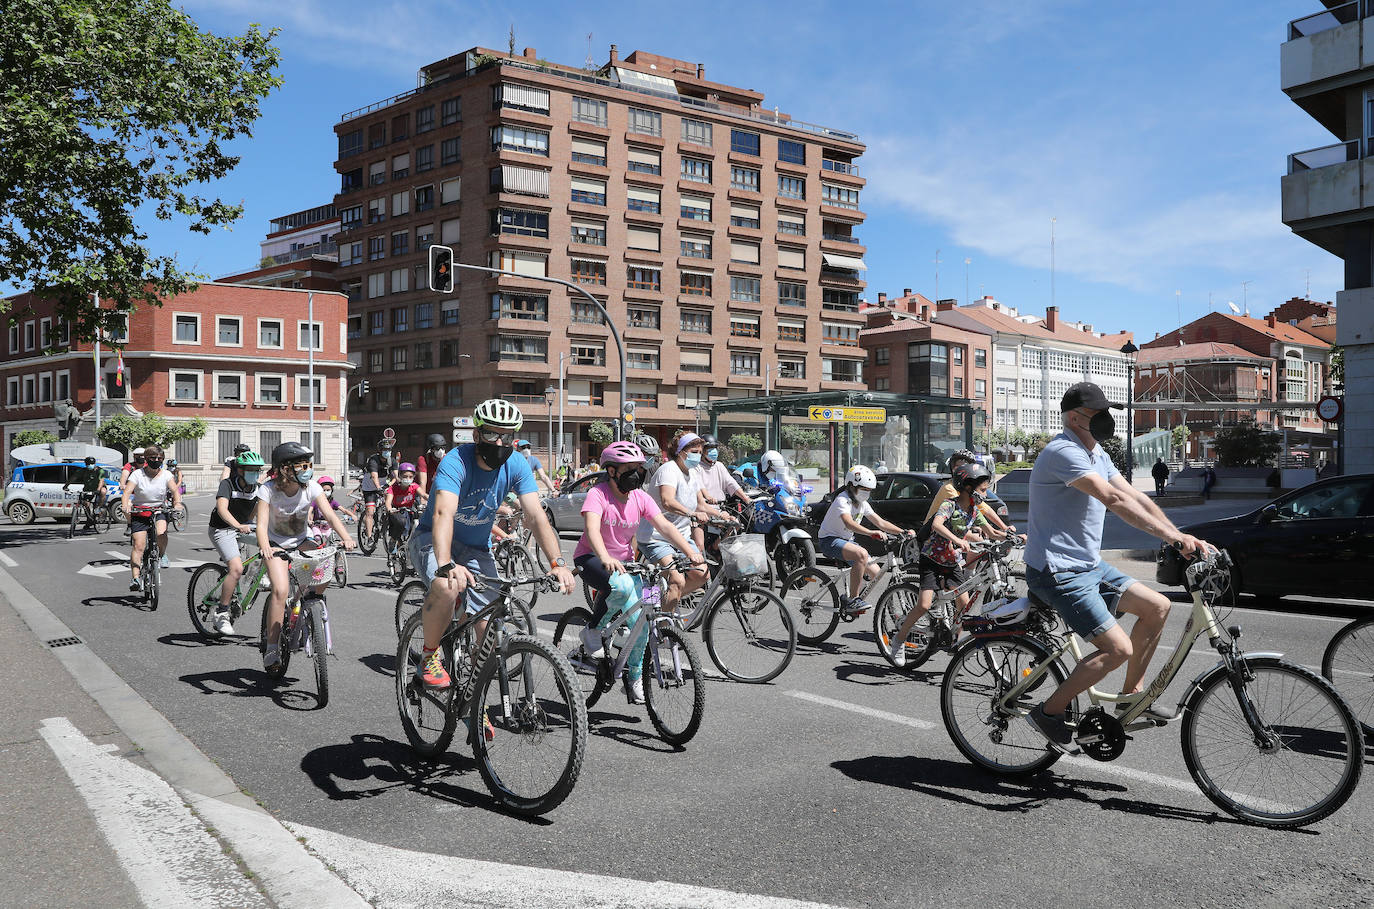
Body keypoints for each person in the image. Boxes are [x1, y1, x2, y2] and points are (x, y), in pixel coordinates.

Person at [1023, 382, 1212, 753]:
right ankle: (1049, 711)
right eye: (1099, 414)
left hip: (1088, 566)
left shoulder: (1097, 454)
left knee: (1158, 606)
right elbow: (1111, 499)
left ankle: (1131, 695)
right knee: (1118, 648)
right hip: (1056, 570)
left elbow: (1134, 495)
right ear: (1074, 417)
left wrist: (1180, 535)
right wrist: (1174, 542)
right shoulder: (1063, 451)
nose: (1107, 420)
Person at [410, 399, 574, 694]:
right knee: (447, 586)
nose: (499, 442)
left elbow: (536, 515)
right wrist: (446, 563)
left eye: (507, 436)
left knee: (489, 627)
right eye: (491, 434)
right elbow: (443, 513)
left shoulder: (516, 464)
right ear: (476, 435)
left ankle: (472, 697)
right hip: (432, 541)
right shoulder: (455, 461)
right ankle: (429, 656)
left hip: (476, 548)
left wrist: (557, 562)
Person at [573, 441, 705, 703]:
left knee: (647, 613)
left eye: (639, 468)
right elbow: (591, 529)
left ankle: (634, 679)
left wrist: (689, 552)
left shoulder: (640, 497)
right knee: (620, 588)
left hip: (625, 562)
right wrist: (605, 556)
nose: (637, 473)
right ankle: (592, 630)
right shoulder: (598, 494)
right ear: (611, 471)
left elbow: (665, 527)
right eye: (629, 468)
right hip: (591, 558)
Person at [254, 442, 356, 673]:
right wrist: (265, 548)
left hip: (303, 541)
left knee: (325, 567)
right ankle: (271, 647)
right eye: (301, 465)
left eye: (308, 464)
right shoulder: (268, 489)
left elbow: (330, 515)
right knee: (279, 591)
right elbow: (261, 525)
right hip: (275, 544)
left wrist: (346, 537)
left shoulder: (311, 487)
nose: (307, 469)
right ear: (284, 469)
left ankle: (305, 603)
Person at [887, 462, 995, 666]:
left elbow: (991, 531)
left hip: (952, 562)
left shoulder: (973, 510)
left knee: (964, 605)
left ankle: (953, 639)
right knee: (924, 605)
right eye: (983, 489)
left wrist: (1012, 535)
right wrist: (958, 540)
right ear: (969, 487)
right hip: (931, 560)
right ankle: (898, 640)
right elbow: (936, 525)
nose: (986, 494)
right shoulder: (949, 504)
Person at [637, 431, 733, 615]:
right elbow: (667, 501)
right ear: (681, 452)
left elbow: (700, 504)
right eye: (695, 451)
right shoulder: (668, 470)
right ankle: (662, 628)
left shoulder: (692, 473)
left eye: (700, 451)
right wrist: (692, 514)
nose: (698, 455)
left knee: (701, 574)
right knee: (677, 580)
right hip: (657, 537)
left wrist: (723, 516)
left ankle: (663, 601)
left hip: (680, 536)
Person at [817, 465, 914, 617]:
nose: (866, 493)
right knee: (862, 554)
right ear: (851, 486)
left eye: (869, 490)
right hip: (829, 540)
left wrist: (903, 532)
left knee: (877, 573)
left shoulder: (862, 504)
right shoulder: (842, 500)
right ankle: (852, 601)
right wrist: (870, 533)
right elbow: (849, 523)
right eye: (863, 489)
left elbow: (880, 523)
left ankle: (855, 600)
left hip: (847, 541)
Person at [207, 450, 265, 635]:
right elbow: (222, 509)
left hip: (244, 526)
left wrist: (254, 525)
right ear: (240, 470)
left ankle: (259, 576)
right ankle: (221, 612)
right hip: (222, 529)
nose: (255, 474)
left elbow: (258, 511)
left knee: (274, 545)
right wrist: (237, 525)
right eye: (251, 470)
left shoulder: (259, 488)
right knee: (236, 568)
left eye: (258, 470)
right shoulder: (227, 484)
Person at [121, 444, 181, 591]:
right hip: (140, 511)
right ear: (146, 459)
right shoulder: (137, 474)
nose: (156, 460)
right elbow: (127, 492)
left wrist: (178, 503)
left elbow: (175, 490)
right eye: (153, 458)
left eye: (160, 458)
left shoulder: (167, 475)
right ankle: (135, 578)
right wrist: (125, 505)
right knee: (139, 545)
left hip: (158, 509)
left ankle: (161, 555)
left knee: (162, 533)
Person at [925, 449, 1021, 539]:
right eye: (958, 467)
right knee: (978, 541)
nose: (985, 495)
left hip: (954, 534)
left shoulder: (972, 502)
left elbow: (984, 509)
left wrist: (1005, 528)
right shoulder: (949, 489)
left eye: (966, 467)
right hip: (935, 538)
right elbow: (937, 525)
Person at [694, 434, 752, 510]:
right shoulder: (696, 467)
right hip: (703, 509)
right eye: (709, 448)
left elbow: (731, 483)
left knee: (735, 521)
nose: (713, 451)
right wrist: (708, 497)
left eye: (715, 448)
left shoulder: (719, 466)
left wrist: (745, 498)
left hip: (720, 507)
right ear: (701, 450)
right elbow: (700, 485)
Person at [383, 462, 427, 553]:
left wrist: (434, 500)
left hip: (410, 511)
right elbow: (388, 501)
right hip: (397, 511)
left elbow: (424, 495)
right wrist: (390, 509)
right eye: (405, 476)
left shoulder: (414, 487)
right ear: (399, 476)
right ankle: (393, 540)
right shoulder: (393, 488)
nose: (408, 479)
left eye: (410, 477)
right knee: (401, 522)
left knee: (419, 523)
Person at [358, 442, 390, 542]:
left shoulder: (390, 460)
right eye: (385, 450)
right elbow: (374, 476)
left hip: (382, 486)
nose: (387, 452)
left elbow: (395, 475)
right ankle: (369, 537)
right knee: (370, 512)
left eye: (389, 450)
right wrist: (378, 488)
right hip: (369, 488)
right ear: (380, 451)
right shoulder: (373, 460)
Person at [65, 456, 108, 525]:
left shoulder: (100, 470)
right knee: (85, 503)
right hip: (88, 489)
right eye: (88, 464)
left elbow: (101, 481)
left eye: (91, 464)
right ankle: (89, 519)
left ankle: (98, 508)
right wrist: (66, 485)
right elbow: (73, 478)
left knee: (103, 492)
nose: (89, 465)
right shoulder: (83, 470)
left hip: (98, 488)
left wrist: (98, 490)